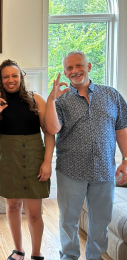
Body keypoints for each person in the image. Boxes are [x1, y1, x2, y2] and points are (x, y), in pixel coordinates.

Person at [45, 51, 127, 260]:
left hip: (104, 169)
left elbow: (121, 129)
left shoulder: (111, 95)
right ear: (65, 72)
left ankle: (95, 256)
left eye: (78, 66)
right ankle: (69, 256)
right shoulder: (61, 101)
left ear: (88, 66)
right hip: (70, 170)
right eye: (69, 68)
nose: (74, 71)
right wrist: (52, 100)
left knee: (101, 220)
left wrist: (126, 159)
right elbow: (53, 129)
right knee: (68, 219)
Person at [0, 59, 54, 260]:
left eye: (14, 75)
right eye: (6, 76)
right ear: (0, 79)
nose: (11, 80)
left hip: (34, 158)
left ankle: (36, 253)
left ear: (21, 77)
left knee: (34, 212)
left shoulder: (36, 99)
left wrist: (47, 161)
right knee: (13, 205)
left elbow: (49, 132)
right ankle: (18, 250)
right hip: (7, 159)